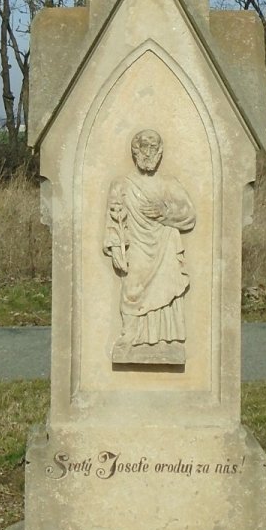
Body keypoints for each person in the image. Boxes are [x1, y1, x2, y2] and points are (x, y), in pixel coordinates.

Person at [103, 128, 196, 364]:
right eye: (144, 147)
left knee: (166, 291)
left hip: (164, 248)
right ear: (135, 151)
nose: (149, 152)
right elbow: (113, 220)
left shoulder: (168, 184)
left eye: (154, 148)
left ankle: (166, 341)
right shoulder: (121, 184)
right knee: (132, 290)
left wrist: (165, 212)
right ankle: (130, 337)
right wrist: (115, 248)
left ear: (160, 152)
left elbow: (189, 215)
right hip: (136, 249)